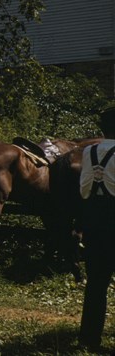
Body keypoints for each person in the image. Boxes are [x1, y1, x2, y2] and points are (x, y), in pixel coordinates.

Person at [78, 104, 115, 349]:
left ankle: (89, 339)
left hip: (94, 220)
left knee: (96, 284)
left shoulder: (88, 151)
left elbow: (83, 190)